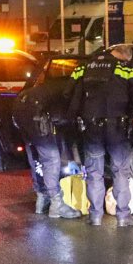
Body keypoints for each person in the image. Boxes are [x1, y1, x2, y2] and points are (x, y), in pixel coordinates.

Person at [67, 44, 133, 227]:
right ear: (125, 57)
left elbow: (68, 91)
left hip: (91, 125)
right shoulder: (125, 67)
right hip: (117, 126)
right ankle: (123, 217)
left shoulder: (84, 66)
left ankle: (95, 216)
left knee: (94, 172)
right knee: (120, 172)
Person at [12, 72, 81, 219]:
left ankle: (42, 199)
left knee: (35, 154)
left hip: (20, 107)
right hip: (35, 112)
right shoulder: (75, 89)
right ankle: (57, 205)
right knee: (51, 159)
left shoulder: (55, 85)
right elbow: (66, 117)